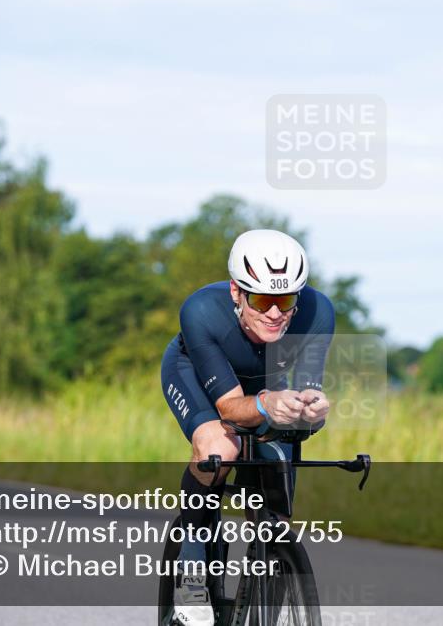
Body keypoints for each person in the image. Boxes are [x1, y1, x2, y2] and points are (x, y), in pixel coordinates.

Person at [160, 229, 335, 626]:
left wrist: (313, 410)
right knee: (219, 448)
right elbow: (230, 408)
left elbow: (309, 392)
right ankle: (193, 561)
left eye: (286, 299)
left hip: (265, 383)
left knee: (279, 458)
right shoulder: (201, 310)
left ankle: (270, 564)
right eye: (261, 299)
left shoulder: (317, 312)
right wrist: (266, 404)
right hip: (199, 376)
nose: (275, 313)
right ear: (237, 293)